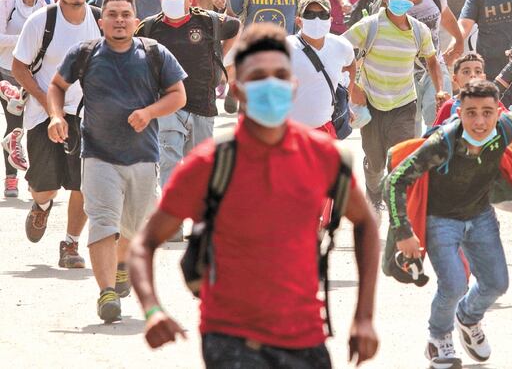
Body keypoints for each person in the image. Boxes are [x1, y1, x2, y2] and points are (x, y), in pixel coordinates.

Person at [128, 23, 380, 368]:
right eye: (258, 76)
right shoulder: (209, 164)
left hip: (307, 338)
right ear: (238, 90)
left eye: (280, 74)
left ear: (293, 85)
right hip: (231, 340)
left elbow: (365, 222)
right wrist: (152, 309)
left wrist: (363, 316)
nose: (271, 84)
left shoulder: (324, 157)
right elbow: (144, 243)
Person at [385, 80, 512, 369]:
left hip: (480, 216)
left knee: (497, 283)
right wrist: (403, 231)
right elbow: (395, 180)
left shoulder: (506, 128)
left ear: (498, 113)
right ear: (459, 112)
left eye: (488, 112)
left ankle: (468, 318)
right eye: (471, 113)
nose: (480, 121)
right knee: (453, 285)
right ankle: (438, 339)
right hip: (440, 220)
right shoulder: (444, 142)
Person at [48, 0, 187, 322]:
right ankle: (107, 292)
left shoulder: (154, 54)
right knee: (103, 220)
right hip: (98, 153)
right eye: (112, 14)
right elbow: (56, 86)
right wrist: (55, 116)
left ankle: (122, 267)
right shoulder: (84, 53)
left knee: (133, 226)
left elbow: (178, 96)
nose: (119, 20)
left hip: (142, 156)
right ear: (102, 21)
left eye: (126, 14)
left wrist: (150, 112)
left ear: (136, 22)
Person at [12, 0, 102, 269]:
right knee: (46, 184)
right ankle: (41, 203)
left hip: (87, 114)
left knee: (84, 183)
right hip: (43, 113)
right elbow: (19, 67)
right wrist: (46, 104)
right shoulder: (42, 22)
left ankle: (70, 243)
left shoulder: (101, 20)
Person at [343, 0, 444, 210]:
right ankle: (373, 191)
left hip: (404, 103)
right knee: (375, 162)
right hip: (372, 104)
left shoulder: (419, 31)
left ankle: (396, 200)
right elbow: (340, 50)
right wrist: (352, 87)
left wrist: (440, 90)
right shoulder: (370, 26)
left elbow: (432, 62)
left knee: (400, 158)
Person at [135, 0, 239, 189]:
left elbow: (235, 27)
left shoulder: (208, 20)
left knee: (201, 169)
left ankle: (199, 218)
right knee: (168, 163)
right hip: (166, 106)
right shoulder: (148, 28)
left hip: (203, 104)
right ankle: (172, 220)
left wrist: (220, 59)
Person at [0, 0, 55, 197]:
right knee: (14, 123)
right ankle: (11, 178)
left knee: (35, 124)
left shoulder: (48, 1)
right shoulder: (5, 2)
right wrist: (26, 38)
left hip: (38, 72)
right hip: (7, 71)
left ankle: (36, 179)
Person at [399, 0, 463, 131]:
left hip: (436, 66)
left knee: (440, 118)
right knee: (410, 124)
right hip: (406, 73)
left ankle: (436, 155)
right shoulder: (397, 4)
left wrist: (459, 40)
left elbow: (447, 18)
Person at [286, 0, 355, 134]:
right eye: (310, 14)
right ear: (299, 21)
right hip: (289, 132)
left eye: (322, 14)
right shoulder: (284, 47)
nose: (317, 19)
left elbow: (351, 65)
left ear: (330, 20)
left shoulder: (342, 46)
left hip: (325, 130)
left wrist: (347, 103)